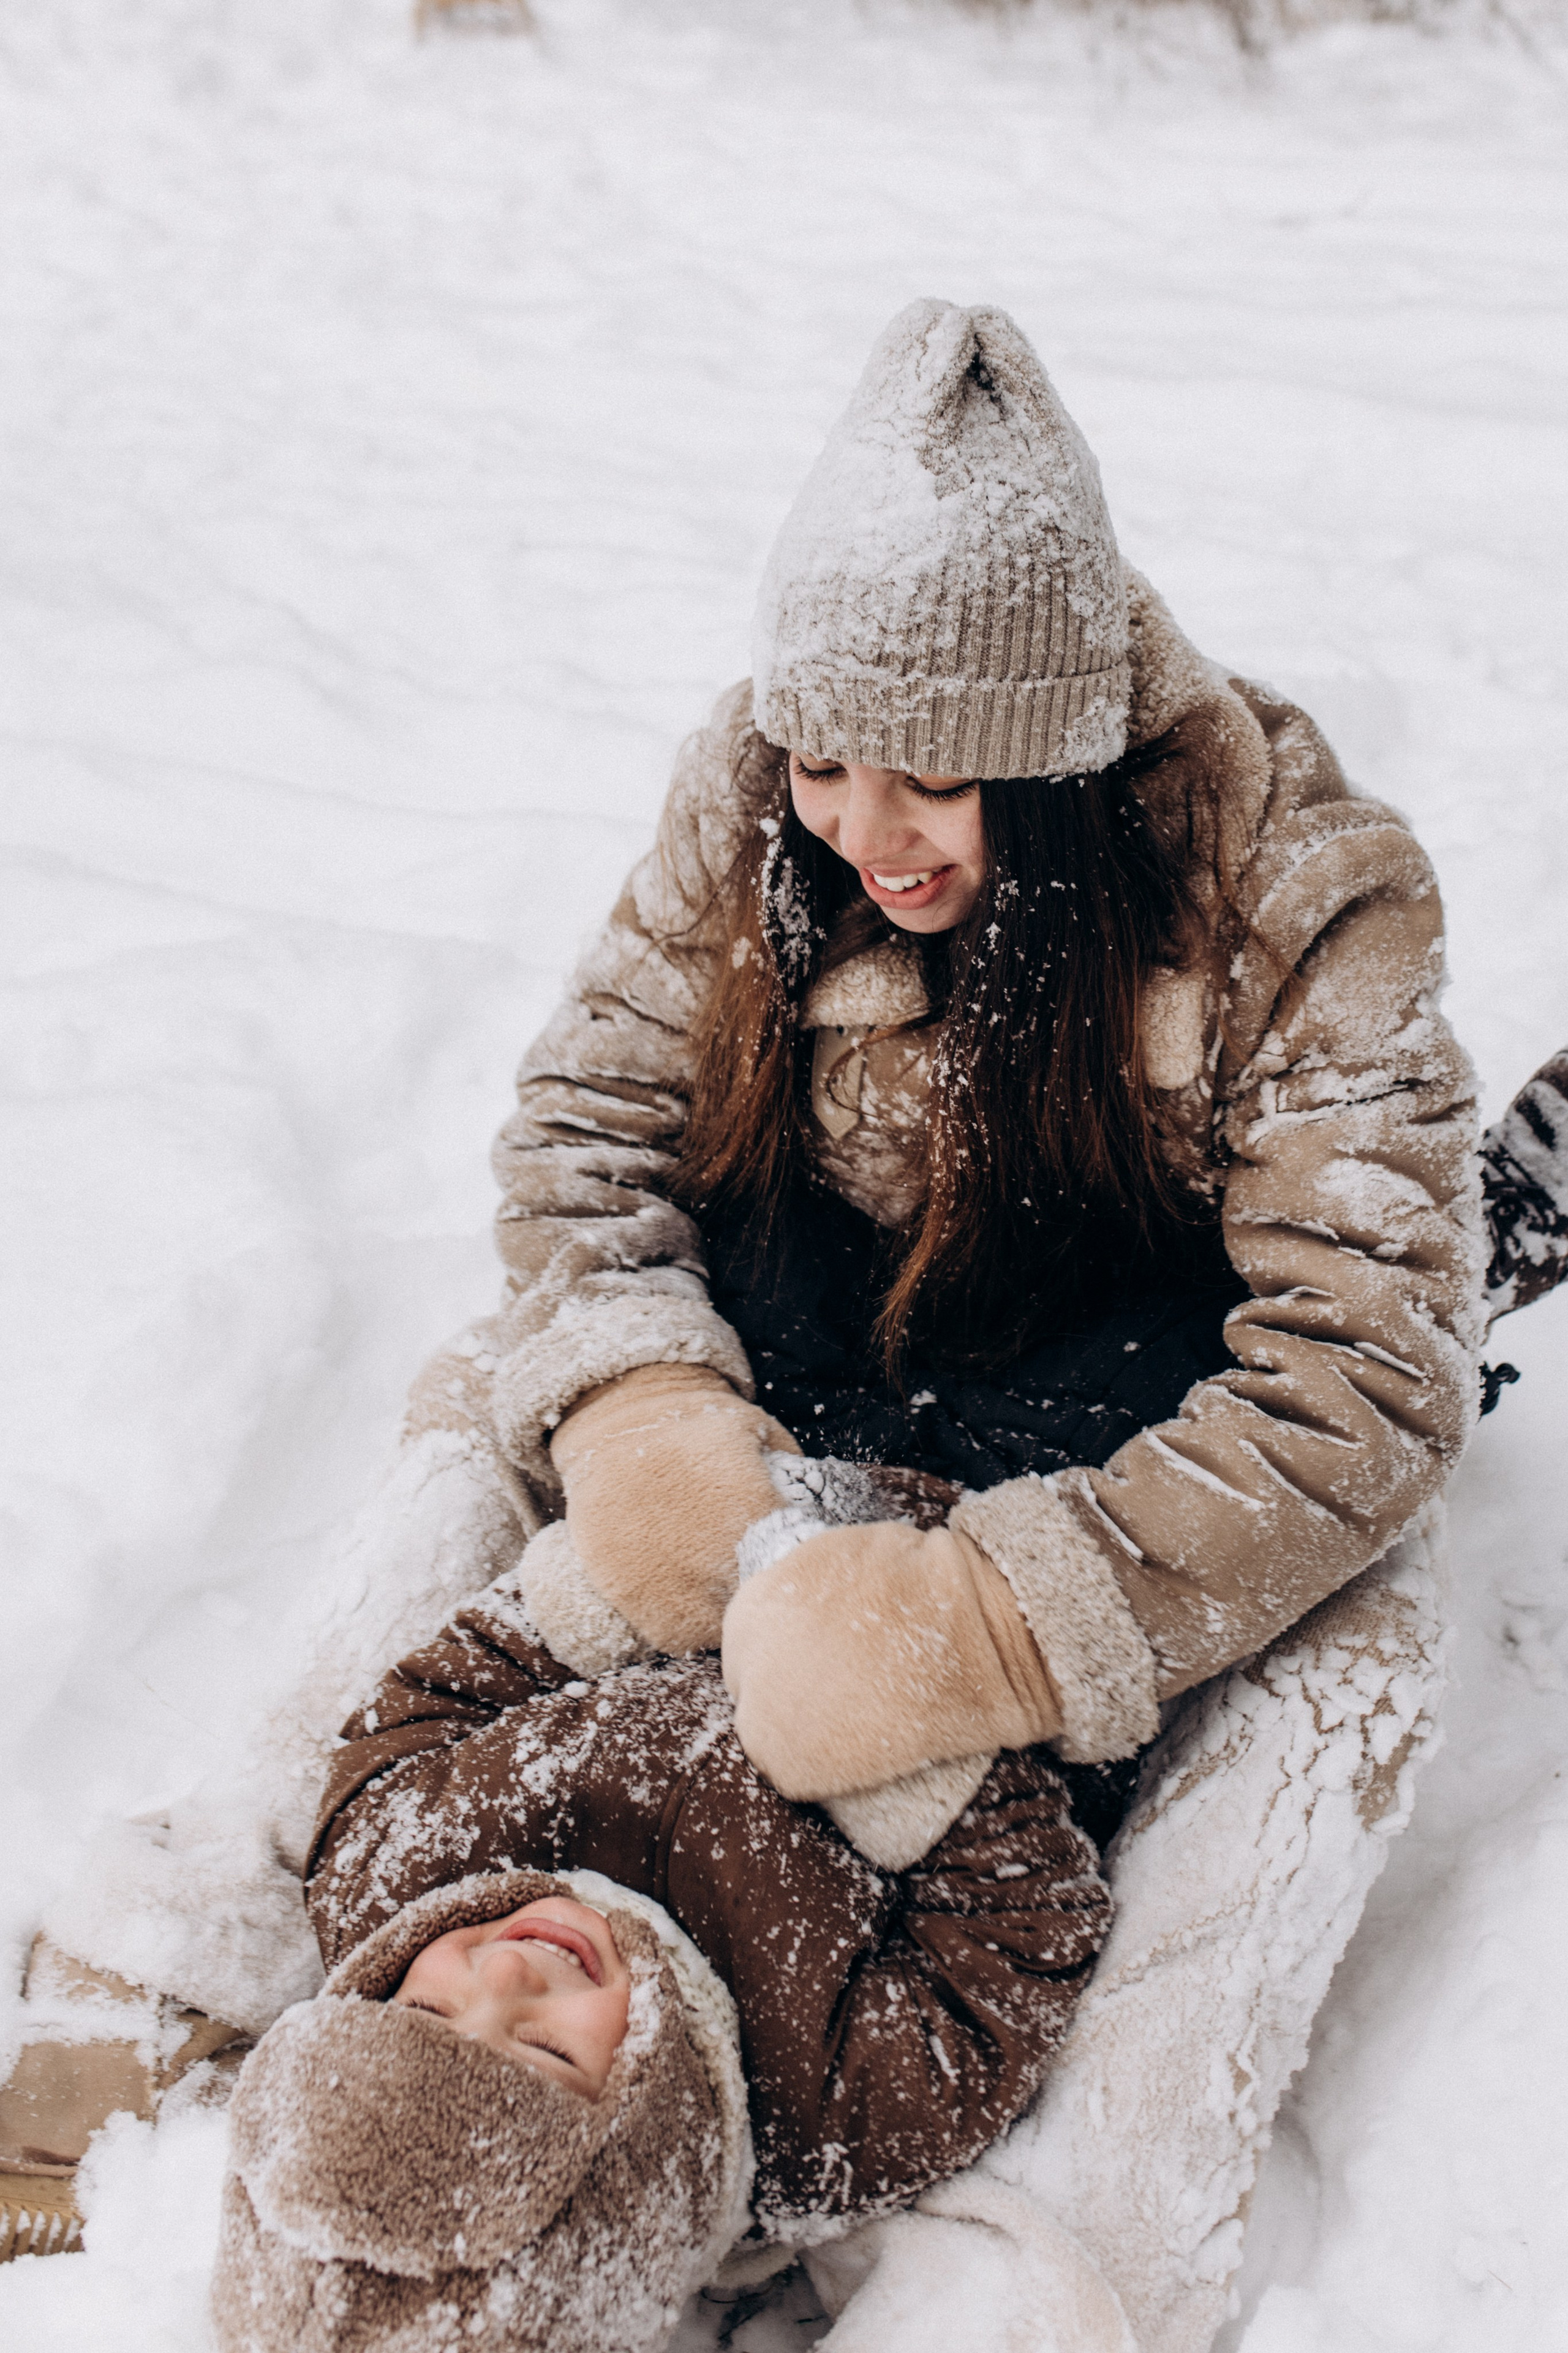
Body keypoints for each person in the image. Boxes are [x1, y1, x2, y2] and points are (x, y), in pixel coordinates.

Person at [0, 297, 1536, 2287]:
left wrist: (996, 1630)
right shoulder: (752, 797)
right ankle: (218, 1891)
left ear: (1053, 760)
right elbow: (585, 1138)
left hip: (1124, 1403)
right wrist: (644, 1419)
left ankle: (1085, 2231)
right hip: (811, 1358)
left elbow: (1363, 1374)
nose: (857, 825)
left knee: (1359, 1624)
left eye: (930, 781)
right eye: (825, 758)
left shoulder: (1295, 886)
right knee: (498, 1388)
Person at [208, 1559, 1115, 2352]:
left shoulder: (388, 1865)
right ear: (655, 2148)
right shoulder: (837, 2120)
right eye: (549, 2052)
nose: (507, 1975)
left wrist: (619, 1583)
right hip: (944, 1609)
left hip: (709, 1509)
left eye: (427, 2012)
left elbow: (443, 1691)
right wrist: (906, 1739)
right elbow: (1019, 1932)